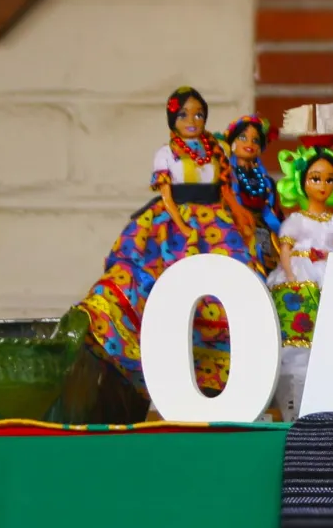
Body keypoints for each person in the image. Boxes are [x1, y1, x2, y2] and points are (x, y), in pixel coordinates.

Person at [77, 86, 261, 395]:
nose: (192, 121)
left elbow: (225, 190)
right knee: (158, 276)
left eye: (199, 115)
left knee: (234, 278)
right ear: (172, 118)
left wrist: (240, 213)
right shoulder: (167, 153)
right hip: (175, 221)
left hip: (216, 220)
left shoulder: (215, 150)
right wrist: (183, 226)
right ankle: (167, 364)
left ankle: (227, 369)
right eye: (184, 115)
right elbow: (166, 195)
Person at [266, 146, 333, 419]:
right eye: (315, 178)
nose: (323, 185)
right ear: (302, 182)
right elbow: (285, 250)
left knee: (332, 331)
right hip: (301, 275)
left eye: (329, 179)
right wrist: (291, 276)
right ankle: (294, 400)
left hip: (328, 273)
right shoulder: (297, 219)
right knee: (298, 338)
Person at [224, 114, 281, 272]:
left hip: (263, 233)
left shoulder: (266, 181)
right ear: (232, 142)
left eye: (255, 140)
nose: (249, 143)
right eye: (243, 137)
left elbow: (275, 213)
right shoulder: (225, 177)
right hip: (236, 231)